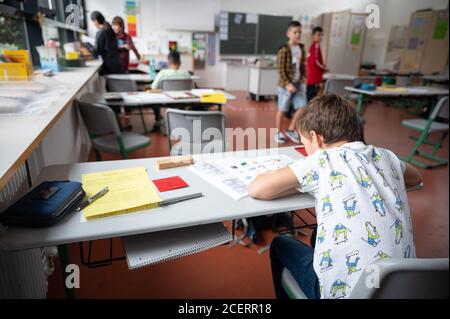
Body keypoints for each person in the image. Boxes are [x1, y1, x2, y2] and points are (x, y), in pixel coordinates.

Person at [248, 94, 422, 299]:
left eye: (305, 145)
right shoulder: (387, 156)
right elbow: (415, 178)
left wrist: (297, 182)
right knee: (316, 234)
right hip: (403, 288)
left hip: (349, 294)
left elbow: (257, 188)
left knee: (280, 244)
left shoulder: (322, 160)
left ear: (316, 138)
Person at [275, 21, 307, 144]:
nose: (297, 35)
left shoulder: (301, 48)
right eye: (295, 32)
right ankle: (278, 132)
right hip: (285, 86)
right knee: (282, 109)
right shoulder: (284, 50)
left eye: (299, 32)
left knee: (302, 107)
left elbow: (302, 66)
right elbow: (281, 70)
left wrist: (304, 77)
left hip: (298, 84)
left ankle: (290, 129)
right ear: (289, 33)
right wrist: (288, 84)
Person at [306, 27, 328, 102]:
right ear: (313, 36)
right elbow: (316, 61)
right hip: (314, 78)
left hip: (312, 77)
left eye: (322, 35)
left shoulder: (313, 46)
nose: (321, 37)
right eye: (319, 35)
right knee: (313, 99)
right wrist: (324, 68)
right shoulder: (316, 45)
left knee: (311, 98)